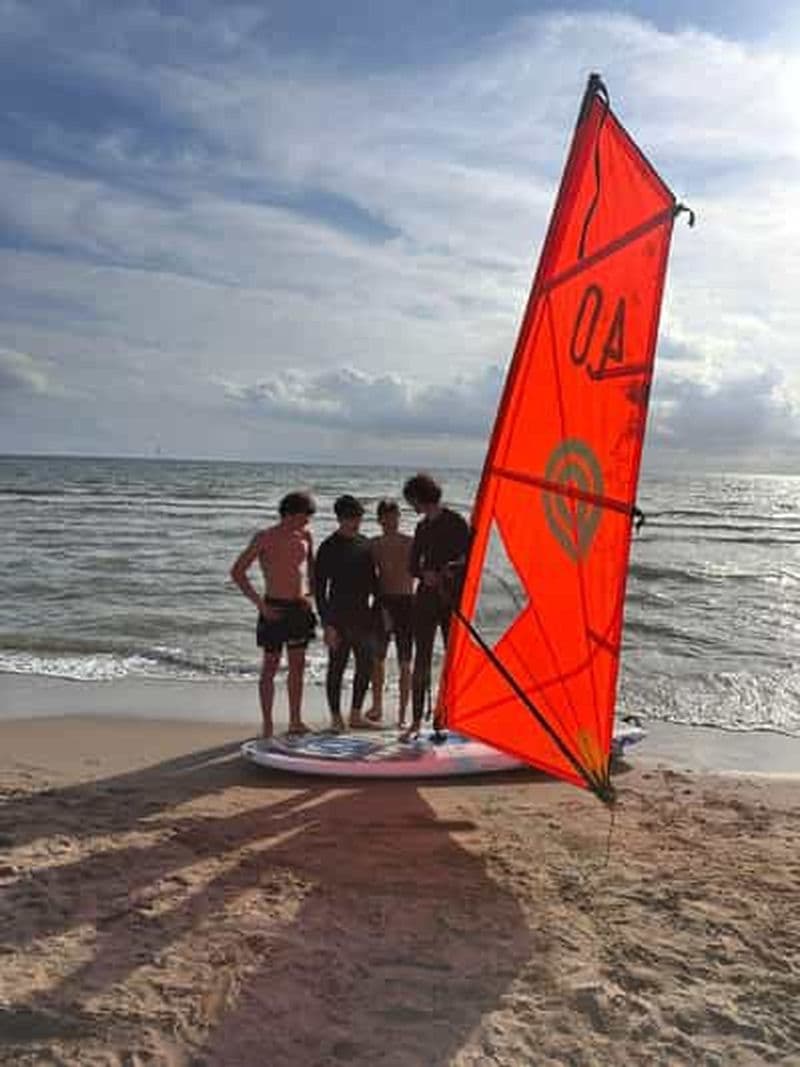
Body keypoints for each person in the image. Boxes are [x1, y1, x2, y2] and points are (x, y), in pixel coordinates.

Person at [230, 490, 317, 739]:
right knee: (270, 666)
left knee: (298, 666)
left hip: (299, 607)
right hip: (274, 607)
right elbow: (237, 572)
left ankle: (295, 721)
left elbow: (311, 570)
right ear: (290, 514)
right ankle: (267, 724)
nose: (307, 521)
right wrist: (260, 605)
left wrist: (311, 595)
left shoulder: (306, 536)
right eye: (304, 516)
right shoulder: (265, 537)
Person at [401, 473, 471, 739]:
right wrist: (424, 574)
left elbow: (468, 558)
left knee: (454, 659)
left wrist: (447, 571)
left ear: (421, 497)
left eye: (412, 500)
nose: (411, 506)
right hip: (426, 600)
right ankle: (417, 721)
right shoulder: (422, 528)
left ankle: (452, 716)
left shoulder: (455, 523)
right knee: (422, 658)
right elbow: (412, 566)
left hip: (451, 599)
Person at [314, 494, 378, 732]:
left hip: (364, 615)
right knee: (337, 666)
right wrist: (327, 624)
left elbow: (374, 583)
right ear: (340, 518)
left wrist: (380, 611)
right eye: (352, 518)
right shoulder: (328, 547)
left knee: (366, 665)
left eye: (359, 517)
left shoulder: (365, 543)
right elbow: (320, 590)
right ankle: (335, 717)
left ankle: (355, 714)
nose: (357, 522)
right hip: (338, 616)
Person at [364, 498, 414, 728]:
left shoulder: (410, 542)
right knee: (378, 659)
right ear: (380, 519)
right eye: (387, 516)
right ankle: (377, 707)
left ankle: (404, 713)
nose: (392, 520)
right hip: (382, 602)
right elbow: (368, 578)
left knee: (405, 661)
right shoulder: (373, 545)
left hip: (406, 604)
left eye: (395, 515)